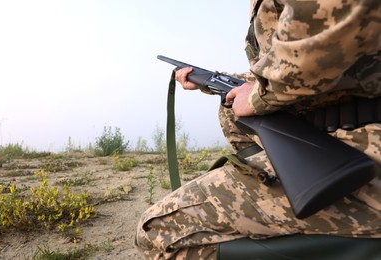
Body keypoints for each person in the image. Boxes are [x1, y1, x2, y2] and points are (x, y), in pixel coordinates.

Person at [135, 0, 381, 259]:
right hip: (336, 134)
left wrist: (257, 96)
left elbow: (320, 32)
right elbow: (284, 68)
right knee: (233, 113)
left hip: (362, 148)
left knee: (157, 233)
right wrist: (211, 80)